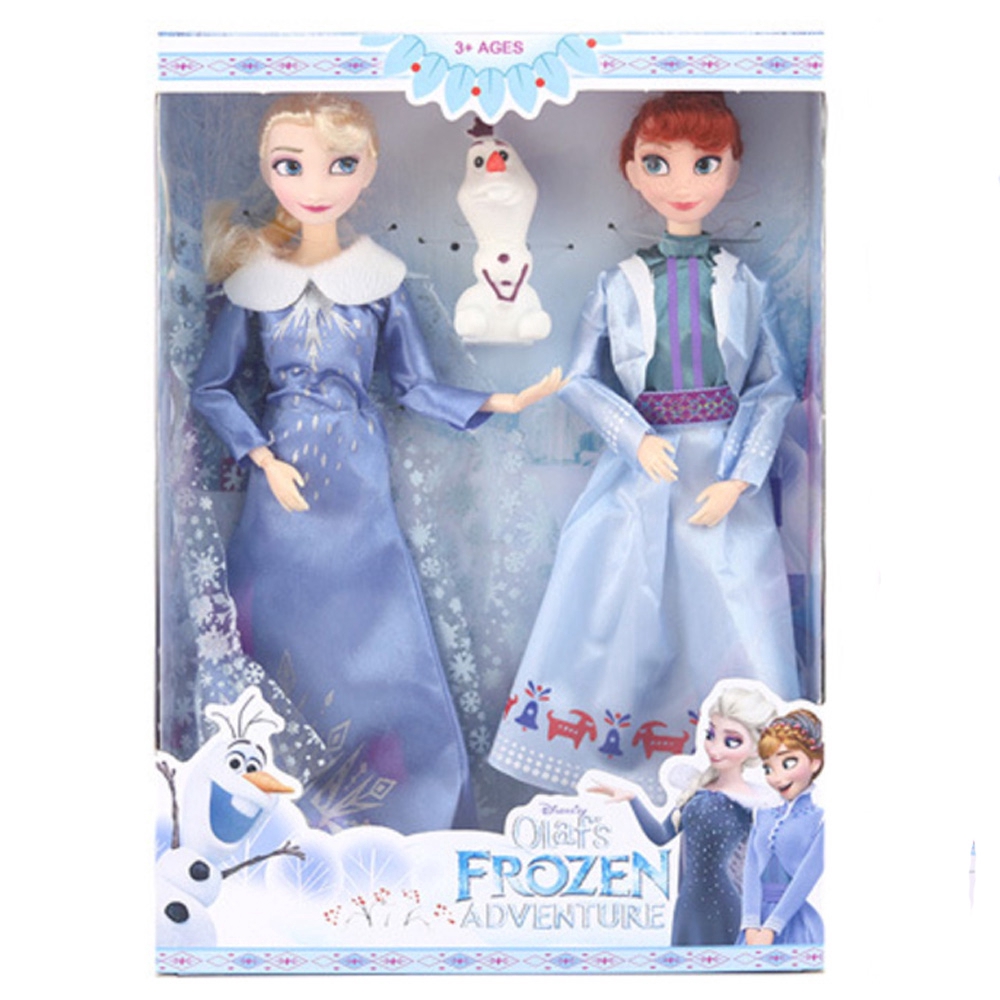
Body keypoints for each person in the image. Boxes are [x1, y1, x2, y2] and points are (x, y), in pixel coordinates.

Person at [192, 94, 562, 835]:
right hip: (282, 484)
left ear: (368, 172)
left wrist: (498, 400)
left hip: (359, 476)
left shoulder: (378, 280)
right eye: (291, 165)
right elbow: (213, 386)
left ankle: (409, 805)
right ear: (268, 167)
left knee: (385, 627)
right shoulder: (255, 281)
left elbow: (415, 385)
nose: (315, 184)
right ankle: (271, 808)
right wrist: (261, 456)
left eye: (340, 165)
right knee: (276, 628)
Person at [490, 92, 800, 804]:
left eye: (705, 164)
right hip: (641, 471)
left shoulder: (745, 285)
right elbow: (580, 378)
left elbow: (773, 384)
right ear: (631, 170)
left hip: (719, 468)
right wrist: (634, 439)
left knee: (731, 608)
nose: (682, 183)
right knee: (617, 603)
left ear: (732, 168)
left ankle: (745, 777)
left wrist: (741, 475)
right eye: (659, 163)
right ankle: (617, 773)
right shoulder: (619, 284)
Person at [591, 685, 777, 946]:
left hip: (727, 904)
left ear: (756, 748)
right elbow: (661, 835)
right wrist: (632, 798)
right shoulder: (696, 790)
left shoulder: (753, 803)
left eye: (732, 741)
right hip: (688, 905)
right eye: (711, 735)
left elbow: (764, 864)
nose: (715, 748)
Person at [740, 709, 824, 945]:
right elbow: (751, 870)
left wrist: (773, 926)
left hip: (792, 920)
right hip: (756, 925)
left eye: (788, 762)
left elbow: (807, 876)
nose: (776, 777)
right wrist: (750, 923)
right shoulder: (763, 815)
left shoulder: (819, 820)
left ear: (815, 762)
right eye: (768, 768)